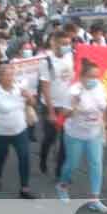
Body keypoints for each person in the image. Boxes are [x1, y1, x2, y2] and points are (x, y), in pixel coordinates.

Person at [55, 60, 107, 212]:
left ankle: (94, 199)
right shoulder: (73, 91)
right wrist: (73, 105)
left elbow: (103, 108)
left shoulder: (100, 87)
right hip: (75, 134)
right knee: (72, 164)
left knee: (96, 164)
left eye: (96, 76)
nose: (94, 80)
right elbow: (63, 115)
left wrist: (106, 126)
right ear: (82, 76)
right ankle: (62, 185)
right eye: (91, 76)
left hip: (94, 133)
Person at [0, 64, 37, 200]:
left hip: (20, 130)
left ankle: (25, 187)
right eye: (7, 75)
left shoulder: (20, 89)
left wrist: (29, 97)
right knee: (1, 156)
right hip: (1, 132)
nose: (11, 78)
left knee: (24, 157)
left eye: (12, 75)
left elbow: (32, 103)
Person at [39, 31, 74, 177]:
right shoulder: (46, 62)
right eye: (63, 44)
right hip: (51, 106)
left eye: (68, 43)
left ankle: (60, 172)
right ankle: (43, 157)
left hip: (67, 107)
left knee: (66, 141)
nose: (66, 47)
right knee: (50, 137)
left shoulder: (71, 56)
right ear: (54, 43)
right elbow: (45, 88)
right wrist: (51, 112)